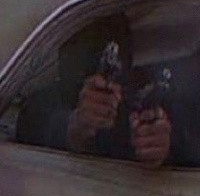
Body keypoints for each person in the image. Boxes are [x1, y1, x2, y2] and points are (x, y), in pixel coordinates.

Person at [17, 15, 172, 166]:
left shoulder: (139, 107)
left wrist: (155, 147)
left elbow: (175, 150)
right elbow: (33, 132)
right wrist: (76, 128)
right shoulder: (40, 106)